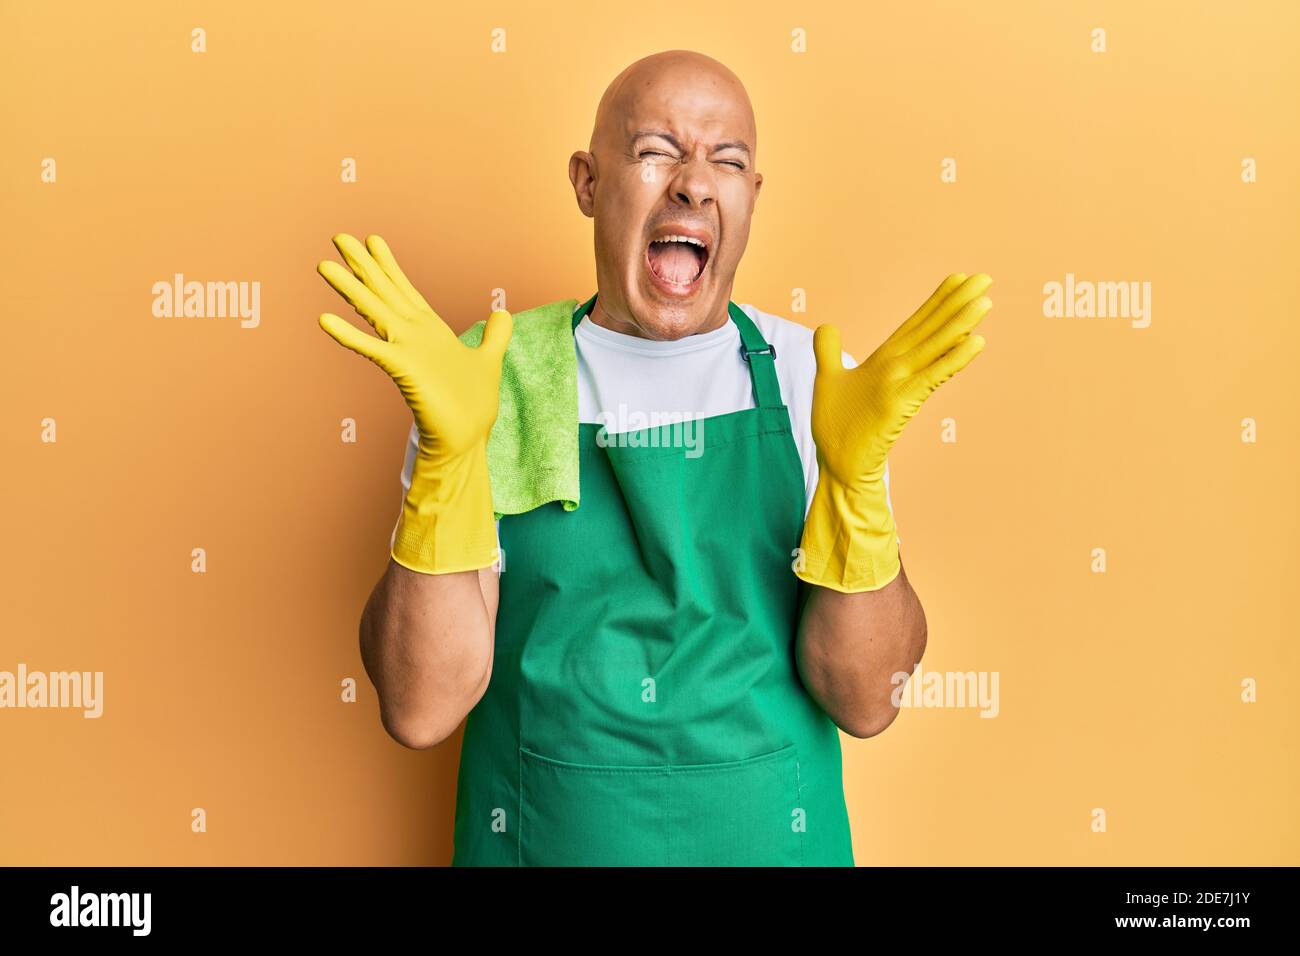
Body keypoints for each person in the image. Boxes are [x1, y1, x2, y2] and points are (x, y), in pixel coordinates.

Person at [316, 49, 991, 866]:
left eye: (728, 161)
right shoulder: (498, 377)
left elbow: (865, 700)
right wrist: (446, 462)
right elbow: (420, 708)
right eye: (656, 151)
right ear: (587, 183)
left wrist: (856, 485)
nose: (695, 183)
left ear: (750, 199)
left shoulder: (811, 378)